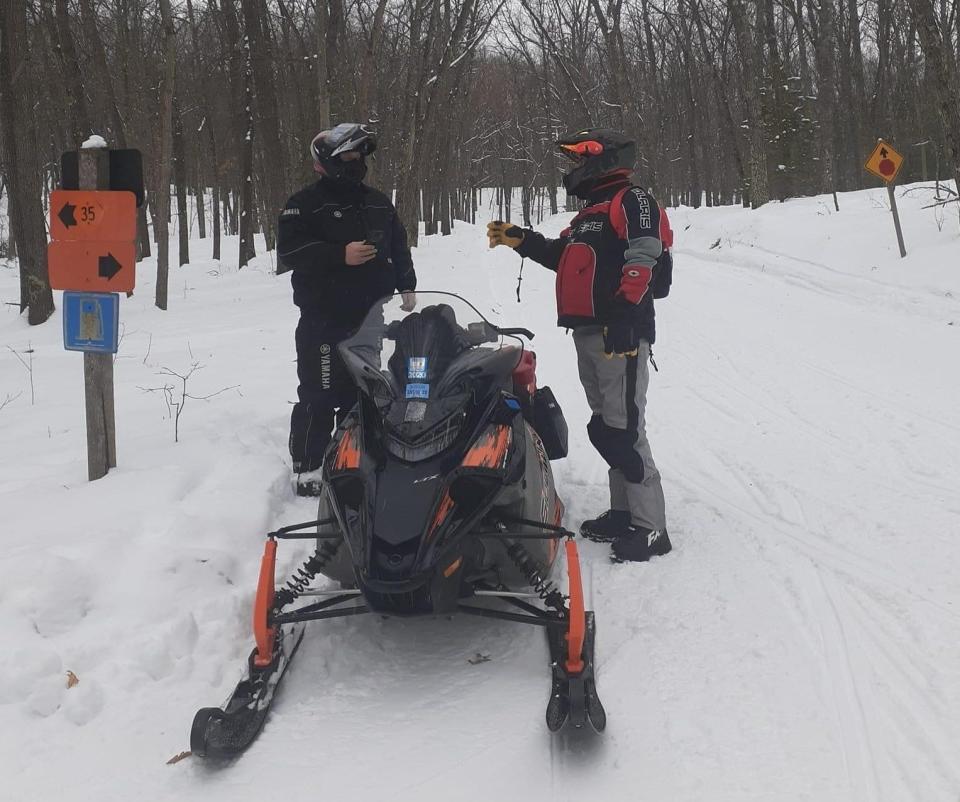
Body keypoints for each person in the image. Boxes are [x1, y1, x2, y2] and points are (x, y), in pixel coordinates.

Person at [487, 128, 671, 562]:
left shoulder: (633, 200)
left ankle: (651, 528)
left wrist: (627, 314)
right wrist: (520, 239)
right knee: (607, 424)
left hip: (619, 333)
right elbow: (561, 256)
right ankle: (624, 512)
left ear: (603, 159)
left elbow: (645, 253)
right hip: (590, 333)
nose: (574, 168)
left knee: (625, 428)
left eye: (579, 159)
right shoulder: (589, 215)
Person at [277, 123, 417, 495]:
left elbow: (398, 243)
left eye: (360, 157)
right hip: (324, 318)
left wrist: (407, 283)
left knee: (366, 393)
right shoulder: (303, 204)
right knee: (320, 394)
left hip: (369, 316)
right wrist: (339, 255)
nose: (356, 164)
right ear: (327, 162)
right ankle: (309, 467)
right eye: (348, 158)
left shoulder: (377, 201)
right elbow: (289, 252)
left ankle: (359, 456)